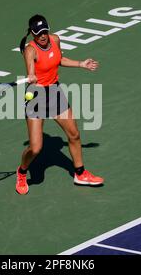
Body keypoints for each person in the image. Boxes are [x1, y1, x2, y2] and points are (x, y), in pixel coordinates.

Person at [16, 14, 104, 195]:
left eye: (45, 31)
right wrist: (32, 78)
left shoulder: (55, 39)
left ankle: (80, 173)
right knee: (36, 148)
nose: (43, 35)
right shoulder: (30, 50)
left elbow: (59, 60)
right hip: (37, 97)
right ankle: (22, 171)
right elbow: (31, 74)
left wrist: (81, 64)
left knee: (74, 134)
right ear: (32, 33)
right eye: (39, 33)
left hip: (55, 93)